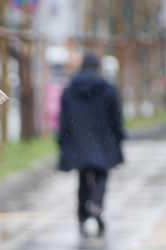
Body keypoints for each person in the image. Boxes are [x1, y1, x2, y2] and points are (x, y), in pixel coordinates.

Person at [57, 52, 126, 237]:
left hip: (78, 141)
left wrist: (62, 141)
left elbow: (63, 120)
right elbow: (116, 117)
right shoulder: (108, 89)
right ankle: (96, 204)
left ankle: (82, 215)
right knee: (102, 175)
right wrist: (119, 136)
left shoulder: (70, 89)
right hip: (103, 140)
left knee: (82, 178)